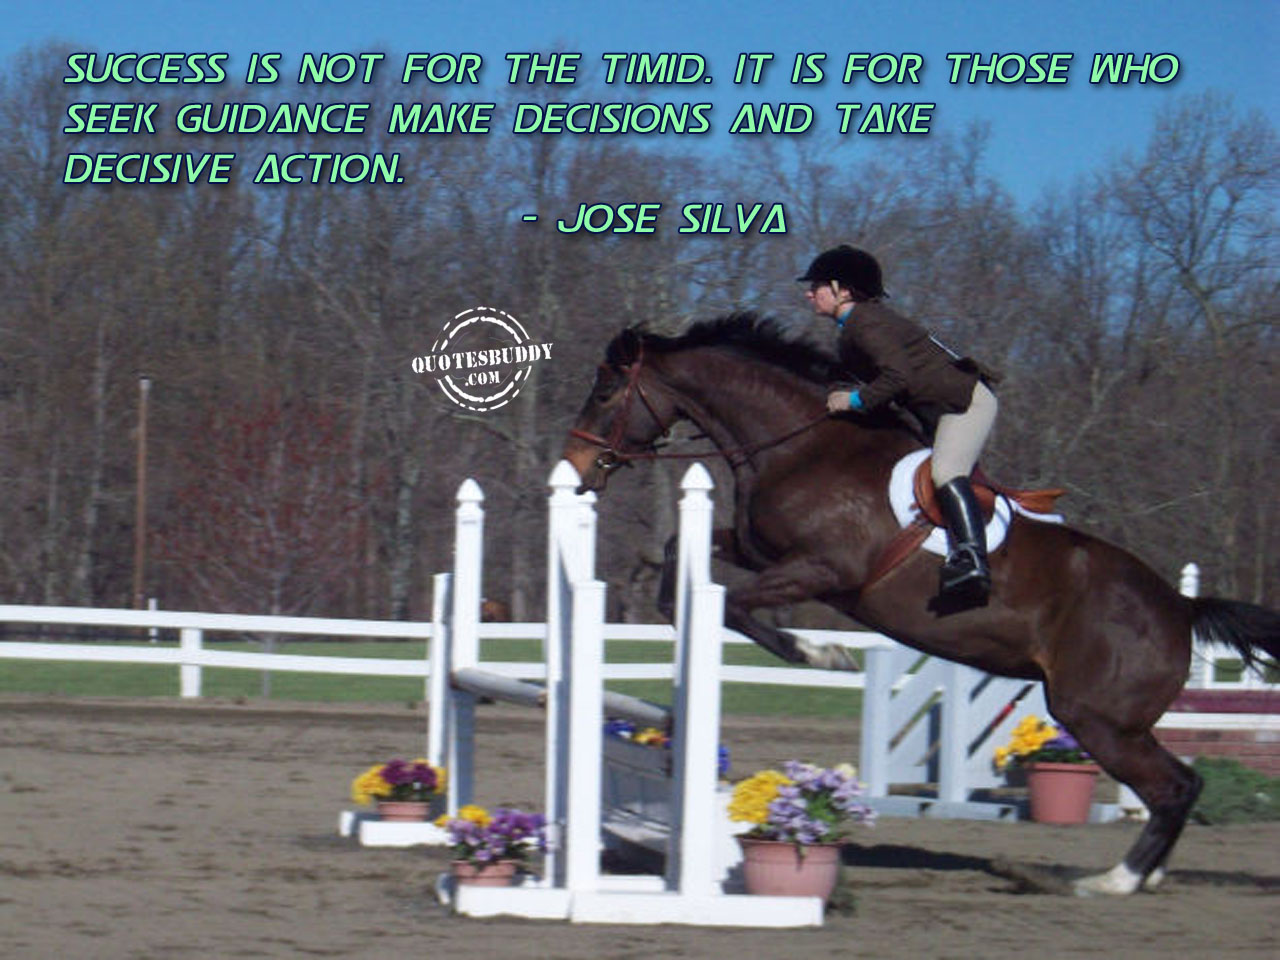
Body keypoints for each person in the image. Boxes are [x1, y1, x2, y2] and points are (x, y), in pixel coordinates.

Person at [798, 244, 999, 604]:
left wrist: (853, 400)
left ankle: (972, 561)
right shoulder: (855, 327)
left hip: (964, 403)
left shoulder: (867, 324)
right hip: (937, 410)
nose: (809, 293)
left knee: (946, 473)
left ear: (843, 291)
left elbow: (898, 377)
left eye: (817, 286)